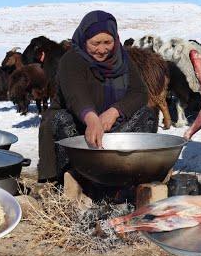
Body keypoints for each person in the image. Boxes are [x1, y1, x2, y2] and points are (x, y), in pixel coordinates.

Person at [37, 10, 158, 183]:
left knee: (147, 114)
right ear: (84, 39)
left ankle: (129, 172)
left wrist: (115, 110)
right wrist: (92, 119)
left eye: (107, 42)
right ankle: (71, 176)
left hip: (112, 127)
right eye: (95, 43)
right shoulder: (71, 60)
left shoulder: (122, 59)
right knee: (60, 119)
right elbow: (75, 95)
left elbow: (139, 92)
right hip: (77, 130)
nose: (102, 50)